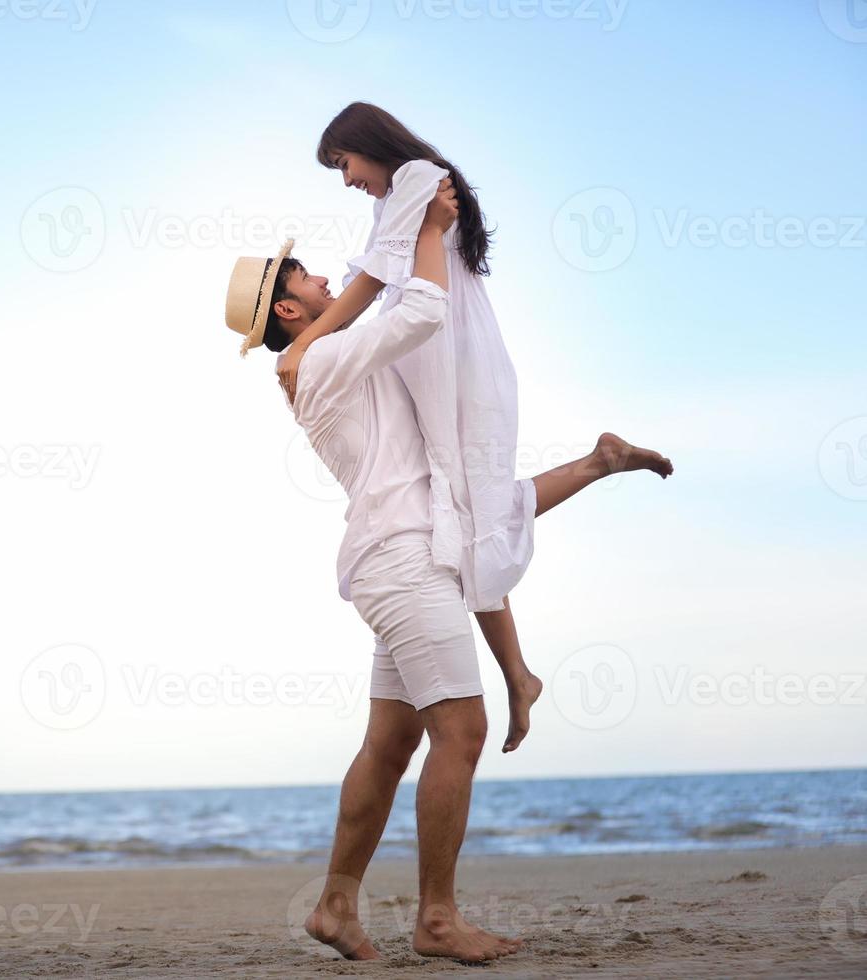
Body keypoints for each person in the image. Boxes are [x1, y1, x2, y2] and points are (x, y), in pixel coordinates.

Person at [223, 187, 672, 962]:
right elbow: (423, 310)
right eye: (303, 277)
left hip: (400, 555)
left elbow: (485, 503)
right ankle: (437, 918)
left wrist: (398, 237)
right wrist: (427, 225)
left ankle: (335, 905)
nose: (324, 279)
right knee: (461, 731)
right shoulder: (321, 358)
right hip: (402, 561)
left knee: (391, 744)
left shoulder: (318, 354)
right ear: (288, 311)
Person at [271, 102, 673, 752]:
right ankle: (523, 666)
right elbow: (371, 277)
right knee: (463, 509)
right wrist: (304, 348)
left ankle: (519, 675)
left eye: (343, 163)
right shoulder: (404, 192)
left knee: (467, 510)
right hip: (440, 351)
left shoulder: (415, 180)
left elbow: (374, 281)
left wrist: (300, 345)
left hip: (446, 353)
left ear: (367, 144)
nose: (346, 179)